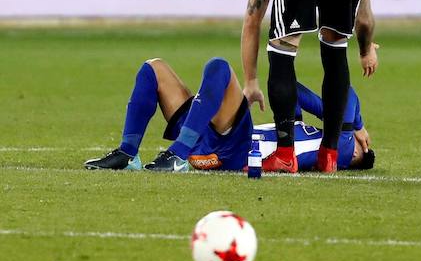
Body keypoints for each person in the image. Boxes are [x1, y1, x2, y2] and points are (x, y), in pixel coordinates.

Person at [241, 0, 378, 174]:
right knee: (335, 48)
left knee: (282, 47)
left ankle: (284, 154)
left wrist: (251, 81)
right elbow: (364, 18)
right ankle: (329, 155)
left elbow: (252, 18)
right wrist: (365, 52)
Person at [83, 57, 375, 172]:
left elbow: (346, 92)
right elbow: (291, 89)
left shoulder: (346, 149)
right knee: (154, 68)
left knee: (220, 68)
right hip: (208, 132)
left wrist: (358, 126)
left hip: (236, 148)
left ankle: (177, 156)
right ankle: (128, 154)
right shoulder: (301, 131)